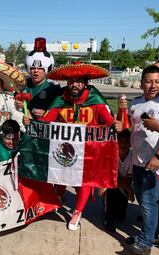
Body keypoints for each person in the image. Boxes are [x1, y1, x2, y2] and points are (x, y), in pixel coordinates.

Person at [24, 62, 122, 231]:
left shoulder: (95, 99)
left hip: (88, 152)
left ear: (85, 83)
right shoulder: (61, 98)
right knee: (59, 175)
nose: (74, 85)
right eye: (71, 81)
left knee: (83, 181)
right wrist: (32, 123)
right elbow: (47, 121)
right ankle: (59, 199)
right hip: (64, 150)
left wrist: (117, 124)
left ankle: (78, 211)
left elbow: (109, 122)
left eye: (78, 81)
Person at [126, 65, 159, 255]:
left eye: (157, 81)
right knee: (142, 201)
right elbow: (129, 129)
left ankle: (145, 244)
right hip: (137, 160)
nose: (153, 85)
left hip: (156, 163)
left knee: (150, 202)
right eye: (149, 81)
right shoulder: (135, 103)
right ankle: (147, 234)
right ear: (142, 82)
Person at [15, 37, 62, 118]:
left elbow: (58, 108)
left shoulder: (53, 87)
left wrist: (46, 113)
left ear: (47, 70)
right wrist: (16, 104)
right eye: (33, 68)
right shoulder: (21, 85)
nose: (36, 71)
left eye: (40, 68)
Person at [100, 129, 134, 232]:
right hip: (115, 184)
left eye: (126, 142)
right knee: (110, 188)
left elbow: (127, 181)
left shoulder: (133, 157)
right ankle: (108, 217)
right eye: (121, 142)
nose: (123, 145)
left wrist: (128, 189)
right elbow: (107, 174)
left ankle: (111, 202)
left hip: (123, 185)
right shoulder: (112, 154)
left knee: (120, 217)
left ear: (131, 143)